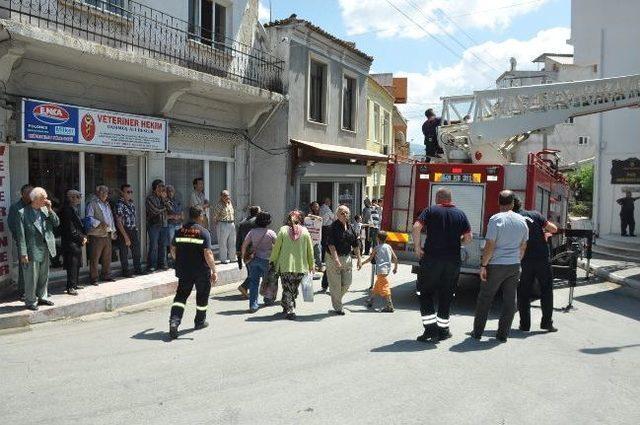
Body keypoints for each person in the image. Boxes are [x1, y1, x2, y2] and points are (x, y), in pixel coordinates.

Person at [412, 188, 473, 343]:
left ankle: (430, 330)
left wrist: (418, 247)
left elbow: (416, 227)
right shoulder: (460, 214)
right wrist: (457, 242)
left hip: (432, 259)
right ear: (450, 199)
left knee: (424, 293)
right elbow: (468, 237)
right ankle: (443, 331)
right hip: (452, 261)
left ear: (437, 198)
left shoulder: (430, 211)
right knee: (447, 295)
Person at [472, 190, 529, 343]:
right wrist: (517, 261)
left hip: (496, 265)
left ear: (499, 203)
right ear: (512, 203)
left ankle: (477, 332)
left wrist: (484, 265)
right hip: (514, 265)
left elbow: (490, 244)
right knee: (510, 301)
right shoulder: (522, 221)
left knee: (485, 299)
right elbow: (523, 246)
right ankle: (503, 335)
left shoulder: (495, 219)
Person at [169, 206, 218, 339]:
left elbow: (172, 249)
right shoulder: (204, 232)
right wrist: (214, 271)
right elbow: (208, 253)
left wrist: (178, 260)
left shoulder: (179, 231)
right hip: (201, 271)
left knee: (180, 297)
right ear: (200, 216)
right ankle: (199, 322)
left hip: (184, 270)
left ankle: (174, 322)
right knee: (202, 296)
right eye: (203, 215)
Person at [513, 198, 559, 333]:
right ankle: (546, 323)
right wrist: (543, 233)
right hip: (542, 258)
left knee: (523, 292)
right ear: (521, 205)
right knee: (546, 291)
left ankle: (524, 325)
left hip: (524, 260)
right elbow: (554, 229)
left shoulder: (512, 219)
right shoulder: (535, 215)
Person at [16, 187, 59, 310]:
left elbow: (56, 223)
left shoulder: (45, 210)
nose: (46, 200)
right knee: (31, 277)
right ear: (35, 199)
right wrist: (23, 253)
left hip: (45, 246)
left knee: (43, 275)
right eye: (43, 198)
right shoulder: (22, 213)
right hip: (32, 248)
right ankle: (30, 301)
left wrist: (50, 209)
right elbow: (20, 235)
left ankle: (42, 297)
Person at [270, 210, 315, 320]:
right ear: (300, 220)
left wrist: (272, 260)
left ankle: (288, 306)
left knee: (288, 288)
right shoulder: (305, 231)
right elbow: (310, 249)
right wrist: (311, 264)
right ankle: (290, 308)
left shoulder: (282, 230)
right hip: (301, 266)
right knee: (292, 289)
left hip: (285, 265)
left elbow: (276, 248)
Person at [326, 205, 362, 315]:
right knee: (336, 284)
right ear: (337, 215)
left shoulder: (350, 227)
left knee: (347, 283)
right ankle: (338, 307)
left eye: (346, 213)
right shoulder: (332, 227)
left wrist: (359, 259)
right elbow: (331, 245)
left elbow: (355, 245)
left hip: (347, 257)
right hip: (333, 257)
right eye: (342, 213)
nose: (344, 214)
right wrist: (336, 260)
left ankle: (336, 298)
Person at [241, 212, 276, 312]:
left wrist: (245, 258)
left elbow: (244, 245)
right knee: (268, 280)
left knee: (254, 282)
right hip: (267, 260)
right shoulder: (271, 233)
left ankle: (253, 305)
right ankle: (268, 298)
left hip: (254, 260)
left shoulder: (252, 232)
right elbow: (278, 246)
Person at [359, 231, 398, 312]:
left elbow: (370, 259)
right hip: (386, 269)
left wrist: (362, 263)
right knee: (377, 286)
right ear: (386, 238)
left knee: (385, 287)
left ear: (377, 238)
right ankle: (371, 300)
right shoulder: (389, 247)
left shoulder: (376, 248)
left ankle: (389, 306)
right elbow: (395, 258)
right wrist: (395, 268)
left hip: (380, 270)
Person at [86, 185, 117, 285]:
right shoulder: (92, 204)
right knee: (95, 258)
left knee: (107, 257)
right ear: (97, 193)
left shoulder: (107, 205)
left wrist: (113, 230)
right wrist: (99, 223)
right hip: (97, 235)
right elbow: (89, 218)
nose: (104, 194)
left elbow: (111, 219)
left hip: (107, 233)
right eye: (102, 192)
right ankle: (94, 278)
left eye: (106, 193)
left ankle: (106, 275)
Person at [8, 184, 33, 299]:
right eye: (28, 193)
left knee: (35, 268)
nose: (31, 195)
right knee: (24, 268)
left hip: (35, 242)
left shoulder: (34, 205)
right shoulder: (16, 207)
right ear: (22, 194)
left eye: (32, 192)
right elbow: (12, 225)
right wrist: (19, 239)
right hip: (23, 242)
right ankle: (23, 292)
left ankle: (37, 291)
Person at [60, 190, 87, 295]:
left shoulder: (73, 209)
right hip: (70, 242)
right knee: (71, 264)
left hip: (76, 241)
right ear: (71, 198)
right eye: (78, 196)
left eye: (80, 196)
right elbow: (70, 229)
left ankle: (74, 283)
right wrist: (81, 238)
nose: (79, 199)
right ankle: (70, 287)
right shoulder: (66, 210)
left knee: (76, 264)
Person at [115, 184, 143, 277]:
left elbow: (133, 217)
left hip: (133, 229)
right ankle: (125, 271)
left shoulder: (131, 204)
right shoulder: (119, 204)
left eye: (131, 192)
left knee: (136, 251)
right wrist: (126, 236)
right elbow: (119, 222)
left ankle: (138, 269)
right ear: (122, 193)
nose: (130, 194)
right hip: (124, 230)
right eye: (128, 192)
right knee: (124, 252)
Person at [146, 179, 171, 272]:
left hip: (164, 224)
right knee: (153, 246)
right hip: (154, 225)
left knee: (163, 245)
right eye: (161, 186)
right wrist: (164, 207)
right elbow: (154, 211)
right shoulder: (150, 198)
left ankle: (162, 264)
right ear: (155, 187)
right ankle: (151, 265)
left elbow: (171, 208)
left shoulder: (163, 198)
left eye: (163, 186)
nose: (163, 188)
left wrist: (164, 200)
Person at [236, 206, 261, 297]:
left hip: (245, 251)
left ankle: (245, 289)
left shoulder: (242, 222)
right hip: (255, 251)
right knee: (255, 272)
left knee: (250, 271)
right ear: (257, 212)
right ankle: (244, 286)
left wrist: (238, 251)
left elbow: (238, 238)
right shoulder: (258, 222)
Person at [212, 190, 237, 264]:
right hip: (223, 224)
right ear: (221, 197)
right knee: (222, 243)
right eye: (225, 196)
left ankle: (232, 258)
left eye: (228, 195)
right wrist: (217, 225)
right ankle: (223, 259)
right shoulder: (219, 205)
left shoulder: (230, 204)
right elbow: (215, 216)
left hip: (231, 223)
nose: (227, 197)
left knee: (232, 242)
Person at [304, 202, 323, 279]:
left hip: (317, 237)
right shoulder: (309, 214)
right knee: (309, 254)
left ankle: (320, 267)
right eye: (315, 206)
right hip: (309, 238)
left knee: (318, 253)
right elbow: (307, 217)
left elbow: (320, 220)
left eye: (317, 206)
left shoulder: (319, 214)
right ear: (311, 207)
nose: (316, 208)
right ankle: (310, 268)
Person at [166, 185, 184, 266]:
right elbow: (165, 216)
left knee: (179, 243)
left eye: (172, 191)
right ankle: (174, 261)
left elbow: (181, 213)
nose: (170, 193)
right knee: (172, 244)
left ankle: (179, 260)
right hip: (170, 225)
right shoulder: (165, 202)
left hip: (179, 224)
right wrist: (173, 216)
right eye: (168, 191)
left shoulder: (177, 201)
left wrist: (178, 216)